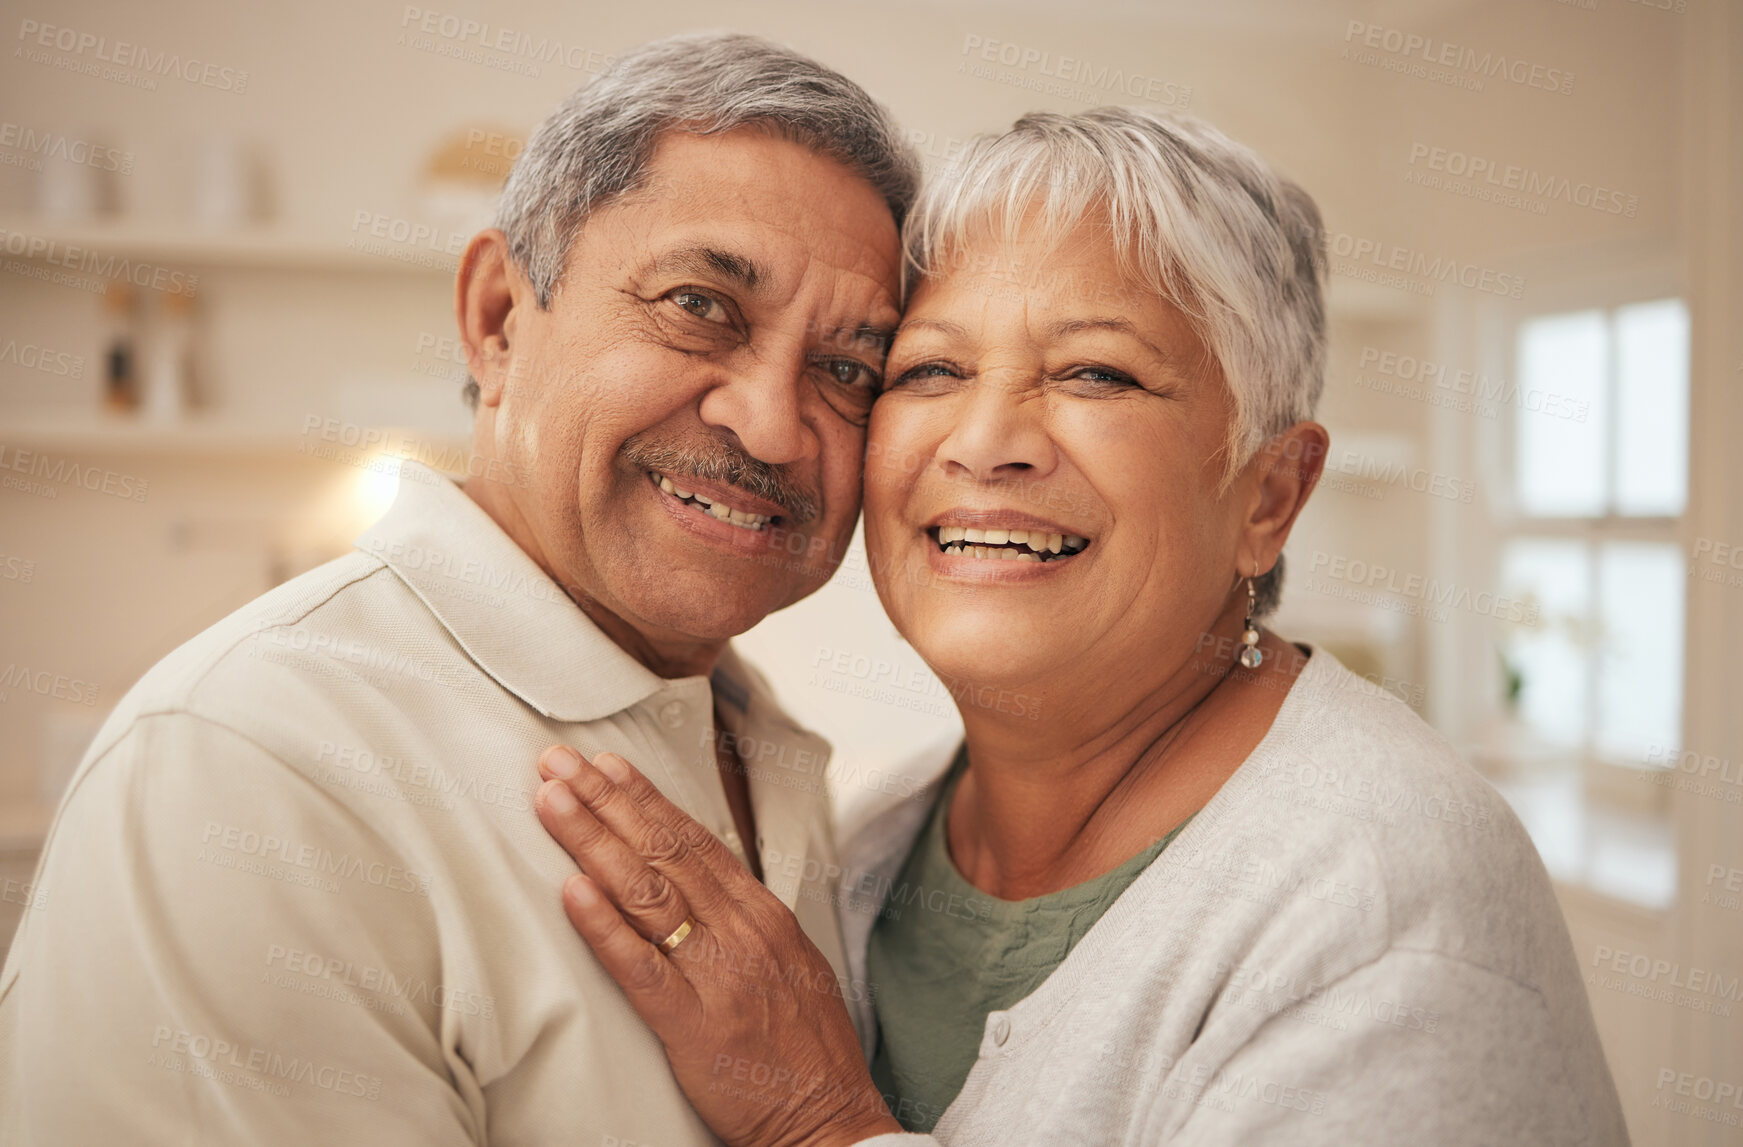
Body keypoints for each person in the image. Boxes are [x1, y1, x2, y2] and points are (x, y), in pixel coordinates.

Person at [530, 107, 1632, 1146]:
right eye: (930, 370)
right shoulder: (874, 849)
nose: (985, 441)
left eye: (1096, 372)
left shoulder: (1384, 894)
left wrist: (821, 1124)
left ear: (1268, 499)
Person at [0, 33, 918, 1145]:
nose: (772, 422)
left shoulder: (760, 739)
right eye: (700, 305)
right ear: (496, 319)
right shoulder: (249, 765)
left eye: (848, 370)